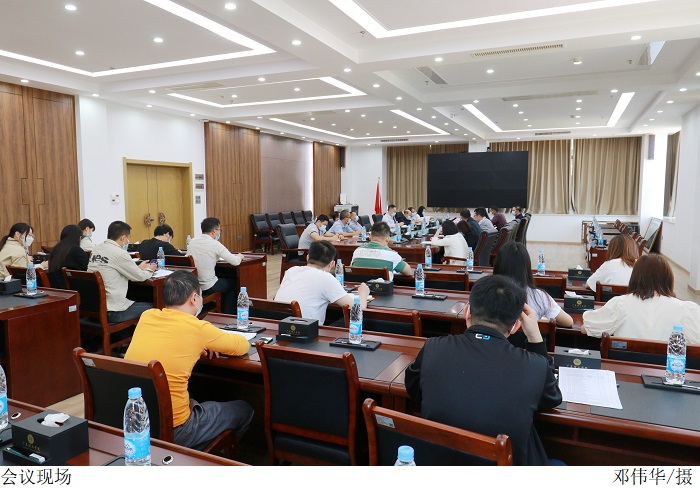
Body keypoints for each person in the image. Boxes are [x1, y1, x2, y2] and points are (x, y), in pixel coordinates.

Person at [405, 275, 562, 465]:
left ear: (467, 312)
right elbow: (552, 398)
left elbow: (413, 388)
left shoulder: (433, 348)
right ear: (516, 326)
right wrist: (535, 337)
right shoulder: (535, 366)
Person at [125, 271, 254, 449]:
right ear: (194, 298)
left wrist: (201, 345)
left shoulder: (147, 316)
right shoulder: (198, 329)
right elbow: (242, 346)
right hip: (177, 429)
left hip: (138, 422)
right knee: (244, 410)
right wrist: (206, 343)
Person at [582, 254, 700, 344]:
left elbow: (587, 328)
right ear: (668, 279)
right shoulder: (686, 310)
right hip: (670, 369)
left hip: (626, 368)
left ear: (635, 276)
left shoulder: (620, 304)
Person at [275, 241, 370, 325]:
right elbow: (358, 311)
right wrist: (363, 293)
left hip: (277, 325)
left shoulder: (291, 271)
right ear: (332, 264)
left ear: (307, 258)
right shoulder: (326, 278)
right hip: (306, 331)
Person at [88, 221, 156, 323]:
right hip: (113, 312)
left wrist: (137, 268)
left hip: (93, 308)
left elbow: (111, 269)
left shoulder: (97, 249)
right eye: (128, 238)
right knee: (157, 306)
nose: (128, 241)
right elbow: (140, 277)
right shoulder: (120, 253)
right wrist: (150, 269)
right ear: (123, 238)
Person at [493, 242, 573, 327]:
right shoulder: (539, 297)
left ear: (497, 265)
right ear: (527, 267)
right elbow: (569, 322)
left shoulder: (487, 294)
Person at [186, 217, 244, 315]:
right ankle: (228, 315)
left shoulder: (192, 241)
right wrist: (239, 256)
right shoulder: (215, 244)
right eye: (219, 230)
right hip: (208, 286)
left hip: (195, 285)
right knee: (234, 284)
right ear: (214, 232)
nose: (219, 233)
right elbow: (235, 262)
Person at [48, 224, 88, 289]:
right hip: (72, 290)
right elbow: (87, 271)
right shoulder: (77, 251)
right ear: (78, 238)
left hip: (55, 288)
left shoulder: (55, 249)